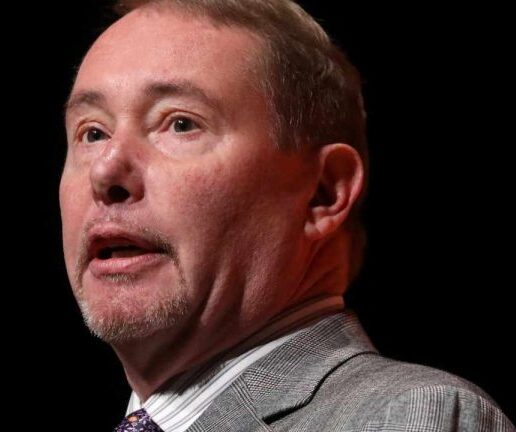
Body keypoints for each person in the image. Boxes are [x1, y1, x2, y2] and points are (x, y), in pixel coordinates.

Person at [59, 0, 514, 430]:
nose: (105, 170)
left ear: (323, 192)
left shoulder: (405, 414)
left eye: (181, 123)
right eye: (92, 133)